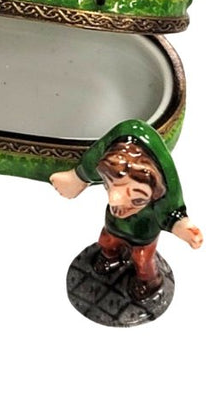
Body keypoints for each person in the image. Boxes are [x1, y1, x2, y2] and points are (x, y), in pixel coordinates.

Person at [50, 119, 203, 299]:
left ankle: (149, 281)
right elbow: (95, 157)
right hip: (114, 226)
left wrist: (182, 226)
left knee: (142, 260)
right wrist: (79, 176)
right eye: (108, 186)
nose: (115, 204)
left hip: (143, 233)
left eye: (136, 199)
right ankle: (111, 257)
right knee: (106, 242)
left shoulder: (162, 188)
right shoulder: (117, 148)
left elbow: (171, 208)